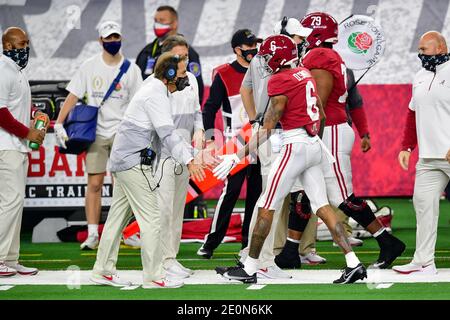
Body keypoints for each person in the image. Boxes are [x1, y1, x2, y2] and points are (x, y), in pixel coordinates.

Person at [214, 35, 367, 284]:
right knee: (321, 205)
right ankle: (353, 263)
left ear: (277, 56)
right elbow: (322, 112)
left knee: (266, 204)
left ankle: (251, 267)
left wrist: (236, 156)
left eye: (266, 55)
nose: (263, 60)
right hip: (313, 143)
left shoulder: (279, 81)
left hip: (294, 145)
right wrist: (313, 135)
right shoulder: (303, 72)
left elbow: (267, 128)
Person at [90, 52, 217, 289]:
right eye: (181, 73)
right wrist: (190, 160)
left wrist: (188, 155)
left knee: (117, 218)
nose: (186, 79)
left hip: (125, 160)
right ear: (169, 74)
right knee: (153, 218)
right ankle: (154, 276)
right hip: (132, 163)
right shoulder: (156, 94)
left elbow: (163, 137)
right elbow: (167, 134)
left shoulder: (157, 89)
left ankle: (103, 270)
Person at [300, 12, 405, 269]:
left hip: (330, 130)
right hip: (331, 129)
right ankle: (291, 250)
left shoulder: (320, 56)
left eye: (305, 33)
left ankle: (387, 242)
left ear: (316, 34)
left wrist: (310, 131)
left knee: (343, 198)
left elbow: (319, 102)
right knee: (308, 192)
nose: (302, 38)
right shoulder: (328, 55)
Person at [239, 18, 326, 273]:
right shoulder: (272, 60)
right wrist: (259, 120)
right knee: (270, 197)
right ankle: (262, 259)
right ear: (283, 37)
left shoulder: (266, 59)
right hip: (276, 133)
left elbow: (246, 89)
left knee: (272, 197)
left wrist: (255, 117)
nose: (302, 42)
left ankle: (258, 255)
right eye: (297, 38)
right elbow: (254, 92)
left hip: (278, 132)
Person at [54, 21, 143, 250]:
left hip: (123, 135)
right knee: (94, 183)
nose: (113, 42)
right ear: (100, 41)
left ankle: (126, 231)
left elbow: (139, 103)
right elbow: (73, 95)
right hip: (97, 133)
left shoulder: (131, 69)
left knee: (124, 185)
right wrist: (60, 123)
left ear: (121, 38)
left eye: (116, 38)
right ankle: (93, 233)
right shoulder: (89, 66)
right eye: (108, 38)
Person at [197, 29, 263, 259]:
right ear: (237, 50)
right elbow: (209, 109)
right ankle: (211, 242)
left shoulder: (263, 70)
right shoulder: (224, 74)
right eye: (249, 46)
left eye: (256, 45)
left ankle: (247, 245)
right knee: (231, 192)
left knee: (256, 194)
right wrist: (209, 140)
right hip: (236, 141)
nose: (254, 50)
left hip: (261, 139)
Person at [394, 31, 450, 275]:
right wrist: (407, 147)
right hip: (428, 158)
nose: (420, 54)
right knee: (423, 206)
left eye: (424, 50)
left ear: (439, 48)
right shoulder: (419, 76)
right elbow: (412, 113)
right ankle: (424, 261)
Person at [155, 35, 205, 279]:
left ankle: (170, 258)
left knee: (176, 210)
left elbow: (196, 112)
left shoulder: (192, 80)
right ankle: (161, 261)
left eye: (186, 56)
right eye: (178, 57)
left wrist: (200, 131)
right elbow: (163, 130)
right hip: (163, 156)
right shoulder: (157, 85)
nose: (184, 62)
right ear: (166, 58)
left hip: (185, 154)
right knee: (162, 210)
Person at [0, 27, 49, 277]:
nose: (26, 48)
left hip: (16, 147)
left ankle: (10, 258)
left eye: (28, 42)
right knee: (9, 202)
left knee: (16, 203)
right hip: (5, 147)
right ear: (8, 46)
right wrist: (27, 133)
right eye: (21, 43)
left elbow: (16, 105)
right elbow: (0, 113)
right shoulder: (2, 68)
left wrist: (34, 116)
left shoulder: (17, 70)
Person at [135, 5, 204, 103]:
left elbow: (197, 88)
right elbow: (137, 84)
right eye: (156, 20)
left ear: (174, 24)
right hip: (148, 110)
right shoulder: (146, 52)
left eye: (162, 20)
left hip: (176, 110)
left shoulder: (187, 53)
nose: (157, 24)